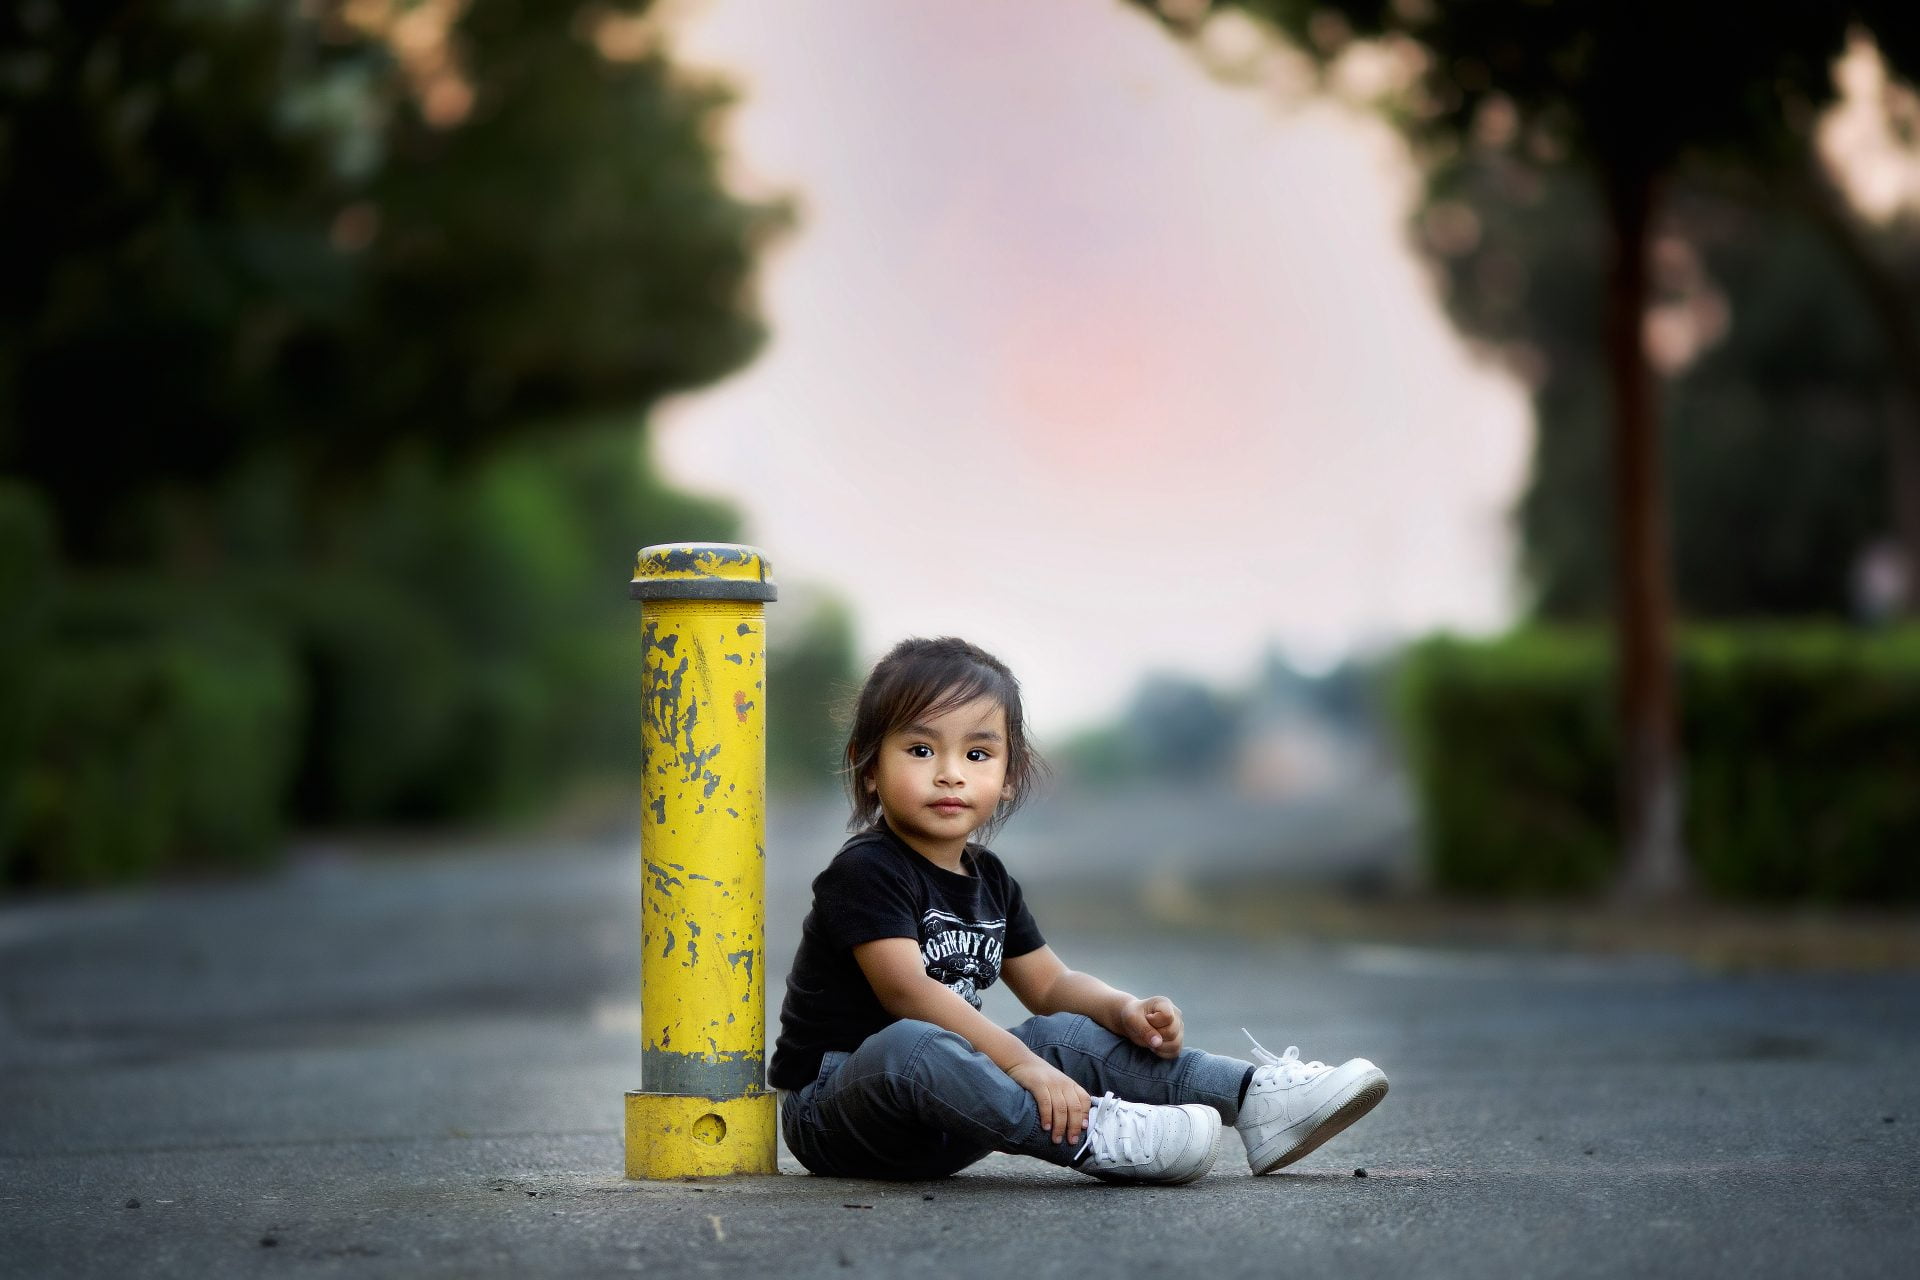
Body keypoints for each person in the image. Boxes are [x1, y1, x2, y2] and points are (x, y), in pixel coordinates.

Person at [769, 636, 1388, 1183]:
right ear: (869, 765)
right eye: (921, 751)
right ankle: (1096, 1134)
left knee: (1063, 1033)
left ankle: (1257, 1101)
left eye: (977, 754)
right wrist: (1023, 1067)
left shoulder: (988, 878)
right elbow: (908, 993)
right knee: (914, 1043)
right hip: (838, 1112)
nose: (951, 774)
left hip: (949, 1120)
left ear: (1009, 777)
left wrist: (1121, 1009)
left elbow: (1051, 984)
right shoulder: (867, 869)